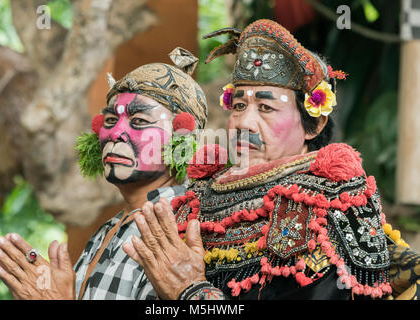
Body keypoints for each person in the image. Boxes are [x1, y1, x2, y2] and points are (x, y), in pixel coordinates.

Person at [123, 19, 419, 300]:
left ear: (312, 125)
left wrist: (193, 291)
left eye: (265, 107)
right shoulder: (199, 198)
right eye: (238, 105)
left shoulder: (328, 204)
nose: (244, 122)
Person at [0, 47, 208, 300]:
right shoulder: (109, 229)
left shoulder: (187, 226)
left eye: (139, 121)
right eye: (111, 121)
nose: (115, 133)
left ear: (182, 139)